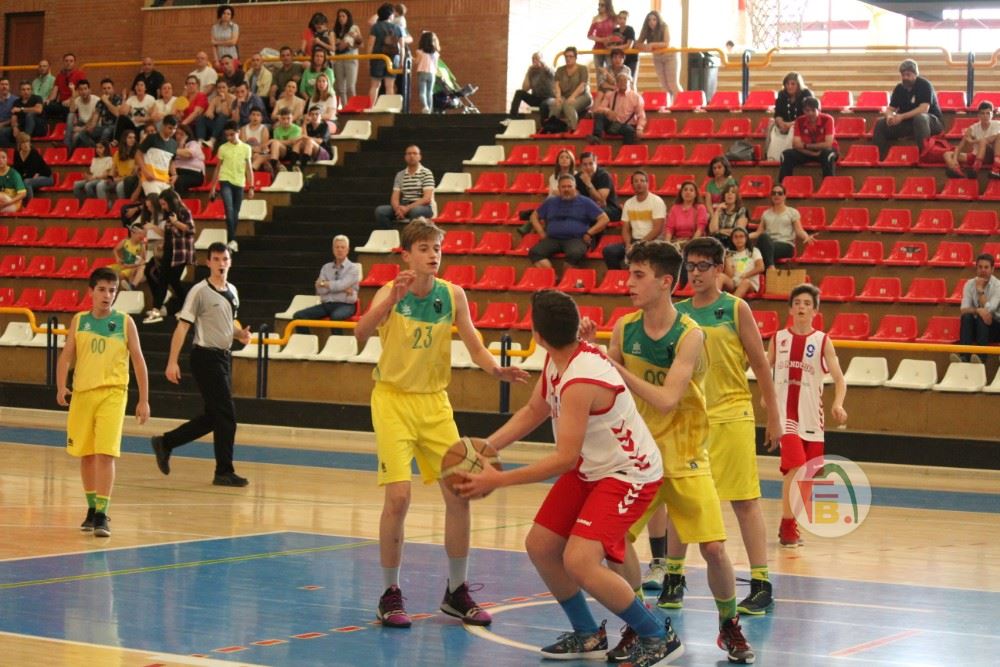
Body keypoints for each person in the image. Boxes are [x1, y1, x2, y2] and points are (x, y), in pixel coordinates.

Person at [457, 288, 682, 665]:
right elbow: (535, 410)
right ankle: (587, 632)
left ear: (538, 335)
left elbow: (564, 459)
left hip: (630, 473)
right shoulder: (559, 359)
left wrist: (498, 480)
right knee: (541, 545)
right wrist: (487, 448)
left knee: (580, 561)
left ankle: (658, 633)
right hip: (593, 467)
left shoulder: (581, 378)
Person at [581, 240, 754, 663]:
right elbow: (606, 385)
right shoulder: (624, 328)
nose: (628, 283)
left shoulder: (690, 334)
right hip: (638, 457)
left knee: (713, 549)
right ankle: (641, 622)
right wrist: (587, 352)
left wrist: (610, 363)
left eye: (638, 275)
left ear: (664, 282)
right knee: (615, 542)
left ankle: (729, 624)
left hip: (686, 454)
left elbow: (666, 400)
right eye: (629, 274)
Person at [353, 218, 528, 630]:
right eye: (425, 248)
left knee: (459, 493)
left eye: (437, 248)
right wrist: (388, 303)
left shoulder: (452, 295)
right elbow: (360, 333)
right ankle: (389, 593)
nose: (434, 255)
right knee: (399, 497)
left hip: (434, 404)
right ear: (406, 255)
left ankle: (456, 591)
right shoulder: (390, 292)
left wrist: (495, 369)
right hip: (393, 401)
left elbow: (474, 343)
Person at [674, 236, 782, 616]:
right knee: (683, 500)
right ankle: (673, 577)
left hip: (733, 413)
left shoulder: (736, 308)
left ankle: (762, 583)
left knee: (744, 501)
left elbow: (761, 363)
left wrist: (773, 415)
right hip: (691, 421)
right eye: (690, 266)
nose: (696, 273)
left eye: (703, 266)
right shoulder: (678, 313)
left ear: (719, 269)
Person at [56, 267, 150, 538]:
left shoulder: (124, 322)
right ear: (91, 292)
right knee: (86, 454)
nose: (107, 295)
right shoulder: (79, 321)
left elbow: (139, 360)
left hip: (113, 393)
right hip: (82, 394)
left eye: (112, 290)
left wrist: (144, 399)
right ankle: (91, 508)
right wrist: (61, 385)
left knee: (105, 453)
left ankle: (102, 513)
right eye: (102, 290)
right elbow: (66, 356)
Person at [150, 242, 252, 487]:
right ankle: (223, 471)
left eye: (224, 259)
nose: (221, 263)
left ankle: (166, 442)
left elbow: (228, 325)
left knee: (214, 416)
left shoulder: (233, 291)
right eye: (216, 259)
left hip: (224, 358)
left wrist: (240, 335)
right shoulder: (199, 291)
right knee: (227, 416)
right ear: (208, 263)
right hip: (205, 357)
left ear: (230, 262)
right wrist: (172, 361)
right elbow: (182, 326)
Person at [768, 283, 847, 548]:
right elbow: (764, 370)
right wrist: (767, 397)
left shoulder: (822, 341)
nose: (801, 307)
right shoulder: (778, 339)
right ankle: (788, 526)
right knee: (795, 467)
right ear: (790, 309)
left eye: (807, 304)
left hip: (812, 417)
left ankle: (790, 522)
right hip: (785, 416)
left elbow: (839, 379)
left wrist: (838, 404)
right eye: (797, 303)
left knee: (808, 477)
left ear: (815, 311)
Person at [529, 174, 609, 269]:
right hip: (553, 239)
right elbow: (534, 216)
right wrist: (541, 232)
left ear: (575, 187)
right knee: (535, 252)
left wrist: (589, 233)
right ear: (559, 188)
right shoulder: (550, 202)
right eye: (563, 187)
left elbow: (604, 219)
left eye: (569, 186)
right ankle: (552, 276)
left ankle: (568, 277)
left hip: (576, 239)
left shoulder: (585, 202)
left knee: (574, 253)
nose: (566, 189)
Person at [872, 59, 944, 161]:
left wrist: (901, 116)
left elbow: (924, 109)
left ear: (915, 74)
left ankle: (924, 157)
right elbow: (890, 109)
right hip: (909, 123)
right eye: (903, 75)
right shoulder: (899, 88)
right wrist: (889, 116)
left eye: (908, 75)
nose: (905, 77)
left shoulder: (924, 85)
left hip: (931, 122)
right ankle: (881, 158)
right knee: (880, 123)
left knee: (920, 118)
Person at [144, 190, 195, 324]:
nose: (163, 207)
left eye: (164, 204)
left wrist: (176, 222)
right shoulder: (169, 214)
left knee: (173, 280)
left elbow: (191, 229)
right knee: (163, 279)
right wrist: (163, 245)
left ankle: (188, 306)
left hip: (180, 252)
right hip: (169, 250)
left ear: (172, 202)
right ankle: (156, 309)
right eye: (161, 204)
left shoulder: (184, 212)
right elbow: (168, 234)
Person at [292, 235, 361, 330]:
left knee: (336, 316)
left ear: (347, 250)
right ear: (333, 249)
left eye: (342, 247)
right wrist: (340, 288)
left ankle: (337, 340)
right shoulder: (326, 267)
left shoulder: (353, 268)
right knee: (299, 316)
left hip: (346, 305)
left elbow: (340, 285)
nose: (339, 250)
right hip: (327, 304)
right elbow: (321, 291)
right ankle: (308, 339)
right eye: (337, 247)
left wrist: (325, 284)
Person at [603, 170, 665, 270]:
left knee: (638, 253)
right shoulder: (629, 203)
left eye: (642, 181)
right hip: (634, 241)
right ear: (632, 185)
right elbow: (625, 229)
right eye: (636, 181)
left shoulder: (657, 201)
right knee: (609, 251)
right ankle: (618, 276)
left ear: (647, 183)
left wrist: (639, 244)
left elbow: (657, 229)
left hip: (652, 241)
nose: (639, 183)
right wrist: (628, 244)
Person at [210, 121, 254, 253]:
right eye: (227, 135)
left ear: (238, 132)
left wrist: (251, 187)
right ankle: (232, 240)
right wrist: (213, 187)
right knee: (229, 210)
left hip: (240, 183)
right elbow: (218, 168)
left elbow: (249, 169)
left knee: (235, 212)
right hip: (225, 180)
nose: (229, 137)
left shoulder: (246, 148)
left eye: (231, 134)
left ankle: (232, 241)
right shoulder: (223, 148)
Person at [749, 184, 814, 268]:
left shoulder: (792, 212)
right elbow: (758, 233)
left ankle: (768, 270)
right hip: (769, 244)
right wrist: (744, 235)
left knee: (759, 251)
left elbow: (799, 231)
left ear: (784, 196)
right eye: (774, 193)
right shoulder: (766, 213)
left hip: (786, 245)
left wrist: (806, 236)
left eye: (780, 193)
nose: (776, 195)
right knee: (763, 238)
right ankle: (771, 269)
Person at [953, 253, 1000, 363]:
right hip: (978, 328)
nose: (983, 270)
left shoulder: (998, 286)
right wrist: (977, 310)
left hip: (996, 328)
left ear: (992, 269)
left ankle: (981, 358)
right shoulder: (969, 284)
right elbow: (963, 309)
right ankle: (964, 357)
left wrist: (980, 290)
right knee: (967, 317)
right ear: (976, 269)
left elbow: (989, 310)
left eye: (986, 267)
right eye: (980, 267)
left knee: (981, 318)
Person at [779, 96, 838, 181]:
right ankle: (784, 185)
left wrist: (805, 146)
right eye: (807, 110)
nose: (810, 113)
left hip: (823, 152)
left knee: (828, 154)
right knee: (786, 155)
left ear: (819, 110)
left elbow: (828, 144)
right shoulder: (799, 121)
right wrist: (813, 153)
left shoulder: (828, 119)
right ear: (803, 111)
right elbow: (796, 145)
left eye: (813, 110)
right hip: (806, 152)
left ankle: (829, 185)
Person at [374, 144, 434, 227]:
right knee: (380, 211)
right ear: (405, 157)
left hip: (422, 207)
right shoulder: (400, 175)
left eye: (415, 153)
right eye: (409, 154)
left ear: (420, 157)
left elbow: (427, 199)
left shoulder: (426, 173)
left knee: (415, 211)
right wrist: (398, 210)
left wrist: (407, 208)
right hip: (404, 205)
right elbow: (394, 198)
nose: (411, 156)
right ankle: (392, 233)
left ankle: (411, 235)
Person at [944, 101, 1000, 178]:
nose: (985, 116)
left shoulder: (998, 124)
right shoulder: (973, 128)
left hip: (991, 155)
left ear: (992, 114)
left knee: (983, 141)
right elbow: (960, 146)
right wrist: (954, 159)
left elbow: (988, 140)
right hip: (976, 155)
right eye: (982, 113)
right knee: (947, 154)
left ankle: (977, 169)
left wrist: (974, 141)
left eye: (988, 113)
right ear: (978, 115)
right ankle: (956, 170)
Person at [767, 72, 814, 162]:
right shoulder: (782, 94)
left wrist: (790, 125)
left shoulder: (806, 94)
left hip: (802, 125)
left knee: (793, 130)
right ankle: (773, 158)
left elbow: (808, 115)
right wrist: (781, 124)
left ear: (798, 85)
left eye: (793, 84)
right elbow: (778, 114)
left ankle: (786, 157)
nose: (789, 86)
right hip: (784, 125)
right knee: (774, 128)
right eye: (787, 84)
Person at [637, 11, 681, 106]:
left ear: (658, 20)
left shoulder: (664, 27)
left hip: (669, 56)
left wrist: (652, 45)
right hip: (657, 57)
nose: (651, 22)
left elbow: (666, 43)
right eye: (649, 20)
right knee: (664, 85)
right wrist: (645, 46)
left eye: (654, 19)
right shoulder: (646, 30)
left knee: (673, 84)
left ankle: (680, 104)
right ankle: (669, 106)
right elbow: (637, 44)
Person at [590, 70, 645, 145]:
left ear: (629, 82)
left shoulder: (636, 97)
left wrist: (639, 128)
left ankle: (626, 150)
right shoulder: (610, 94)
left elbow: (641, 116)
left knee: (629, 130)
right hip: (612, 124)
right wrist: (607, 111)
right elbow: (599, 109)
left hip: (626, 125)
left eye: (625, 80)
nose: (622, 82)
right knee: (599, 115)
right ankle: (596, 137)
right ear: (616, 83)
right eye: (620, 81)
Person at [545, 47, 591, 132]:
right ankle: (551, 128)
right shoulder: (560, 69)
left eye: (570, 56)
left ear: (575, 57)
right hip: (565, 96)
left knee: (568, 105)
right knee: (556, 105)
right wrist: (558, 97)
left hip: (582, 95)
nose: (568, 58)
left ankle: (573, 129)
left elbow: (582, 86)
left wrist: (573, 97)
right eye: (566, 56)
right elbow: (557, 85)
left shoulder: (583, 68)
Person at [367, 4, 403, 103]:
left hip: (377, 58)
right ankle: (389, 107)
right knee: (390, 86)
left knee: (375, 85)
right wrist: (401, 61)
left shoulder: (375, 27)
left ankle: (371, 107)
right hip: (393, 59)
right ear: (390, 15)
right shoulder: (397, 28)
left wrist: (368, 59)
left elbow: (370, 44)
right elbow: (402, 47)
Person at [136, 114, 178, 197]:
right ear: (163, 126)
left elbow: (171, 161)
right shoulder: (151, 138)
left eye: (175, 129)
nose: (172, 131)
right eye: (170, 128)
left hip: (165, 180)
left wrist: (174, 175)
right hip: (150, 178)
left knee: (173, 201)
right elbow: (138, 154)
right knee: (155, 200)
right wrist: (145, 171)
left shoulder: (174, 144)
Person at [576, 150, 621, 221]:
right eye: (585, 164)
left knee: (591, 212)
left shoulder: (604, 175)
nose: (588, 167)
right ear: (581, 166)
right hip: (589, 207)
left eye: (591, 164)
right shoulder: (578, 177)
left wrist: (588, 183)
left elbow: (600, 200)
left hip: (610, 209)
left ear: (596, 163)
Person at [332, 9, 363, 106]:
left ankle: (353, 107)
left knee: (350, 86)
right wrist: (341, 42)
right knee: (340, 87)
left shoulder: (354, 27)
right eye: (339, 16)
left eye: (343, 16)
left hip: (350, 56)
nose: (341, 18)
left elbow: (360, 44)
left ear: (348, 17)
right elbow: (335, 46)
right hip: (338, 58)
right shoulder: (335, 30)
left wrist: (355, 38)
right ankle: (345, 107)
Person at [722, 227, 764, 298]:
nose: (738, 239)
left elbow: (761, 267)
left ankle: (731, 304)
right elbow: (729, 275)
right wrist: (727, 260)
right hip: (734, 282)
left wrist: (746, 275)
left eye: (741, 236)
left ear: (746, 238)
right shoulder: (729, 253)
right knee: (720, 277)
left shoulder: (754, 251)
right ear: (732, 239)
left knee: (745, 282)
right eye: (735, 237)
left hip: (749, 283)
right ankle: (711, 302)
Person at [509, 53, 555, 119]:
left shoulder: (548, 70)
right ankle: (512, 117)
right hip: (536, 98)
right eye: (533, 59)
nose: (535, 61)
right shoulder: (532, 72)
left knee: (544, 104)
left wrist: (543, 64)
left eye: (537, 58)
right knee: (519, 93)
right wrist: (528, 72)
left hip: (548, 98)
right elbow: (525, 88)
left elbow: (553, 73)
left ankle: (545, 123)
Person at [45, 53, 87, 121]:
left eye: (71, 61)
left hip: (74, 102)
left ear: (74, 63)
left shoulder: (80, 74)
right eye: (66, 61)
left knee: (67, 109)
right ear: (63, 62)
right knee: (46, 106)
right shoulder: (59, 75)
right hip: (62, 103)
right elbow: (55, 91)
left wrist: (70, 100)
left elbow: (81, 90)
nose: (68, 63)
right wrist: (49, 100)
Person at [664, 181, 707, 246]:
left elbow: (700, 229)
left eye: (691, 190)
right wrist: (667, 244)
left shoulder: (700, 208)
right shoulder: (674, 208)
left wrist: (690, 245)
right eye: (685, 190)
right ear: (681, 193)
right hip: (677, 241)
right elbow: (669, 228)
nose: (688, 192)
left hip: (695, 242)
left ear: (695, 194)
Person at [13, 132, 53, 201]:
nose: (26, 145)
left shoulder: (33, 153)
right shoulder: (17, 153)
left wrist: (21, 179)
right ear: (19, 144)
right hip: (31, 177)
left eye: (27, 142)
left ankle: (30, 204)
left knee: (27, 182)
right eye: (23, 142)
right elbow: (16, 170)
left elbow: (31, 173)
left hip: (46, 177)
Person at [109, 223, 148, 290]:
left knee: (121, 275)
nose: (141, 236)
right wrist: (117, 258)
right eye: (139, 233)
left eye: (142, 234)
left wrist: (143, 246)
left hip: (131, 266)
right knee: (106, 271)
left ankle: (130, 287)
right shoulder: (125, 241)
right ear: (132, 233)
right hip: (124, 265)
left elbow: (142, 261)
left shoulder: (141, 246)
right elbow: (115, 250)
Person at [709, 184, 749, 248]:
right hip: (719, 240)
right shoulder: (720, 210)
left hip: (734, 242)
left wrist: (720, 231)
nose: (729, 194)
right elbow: (712, 230)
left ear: (736, 196)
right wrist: (717, 211)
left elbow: (738, 231)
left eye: (733, 192)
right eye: (727, 192)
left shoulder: (742, 210)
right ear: (724, 196)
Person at [103, 129, 139, 200]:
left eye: (134, 138)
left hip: (129, 180)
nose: (132, 140)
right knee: (100, 185)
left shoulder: (137, 154)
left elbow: (134, 174)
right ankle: (105, 205)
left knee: (119, 187)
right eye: (130, 137)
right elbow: (113, 168)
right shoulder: (118, 153)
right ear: (124, 139)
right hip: (118, 178)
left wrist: (119, 179)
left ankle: (122, 205)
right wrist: (110, 178)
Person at [197, 79, 234, 148]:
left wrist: (223, 100)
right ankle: (200, 141)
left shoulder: (232, 98)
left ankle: (212, 140)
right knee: (201, 118)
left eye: (223, 87)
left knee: (222, 116)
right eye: (219, 88)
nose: (221, 90)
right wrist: (210, 112)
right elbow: (208, 113)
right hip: (217, 124)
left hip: (227, 124)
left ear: (228, 88)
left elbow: (227, 113)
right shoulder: (215, 99)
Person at [293, 105, 332, 169]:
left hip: (324, 153)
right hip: (309, 151)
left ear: (321, 116)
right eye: (312, 114)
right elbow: (303, 139)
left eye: (317, 114)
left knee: (309, 141)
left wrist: (306, 138)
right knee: (298, 142)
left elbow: (320, 141)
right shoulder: (308, 126)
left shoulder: (325, 126)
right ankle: (293, 166)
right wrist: (304, 124)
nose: (314, 116)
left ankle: (302, 168)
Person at [66, 79, 100, 150]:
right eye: (81, 89)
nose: (83, 91)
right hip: (82, 123)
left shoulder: (97, 100)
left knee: (76, 135)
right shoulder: (78, 100)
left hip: (93, 126)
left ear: (89, 90)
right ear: (78, 91)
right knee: (70, 116)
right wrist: (73, 93)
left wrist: (81, 129)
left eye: (85, 89)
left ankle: (67, 149)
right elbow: (71, 110)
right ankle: (67, 145)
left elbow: (93, 121)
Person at [171, 124, 206, 196]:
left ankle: (180, 201)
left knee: (178, 181)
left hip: (194, 174)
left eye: (182, 134)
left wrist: (179, 145)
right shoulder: (172, 145)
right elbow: (171, 161)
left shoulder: (193, 144)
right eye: (177, 133)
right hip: (178, 172)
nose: (178, 136)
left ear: (187, 136)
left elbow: (188, 154)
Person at [265, 107, 302, 173]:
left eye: (288, 118)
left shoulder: (297, 129)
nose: (286, 121)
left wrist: (272, 140)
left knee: (275, 142)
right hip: (283, 152)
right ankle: (275, 165)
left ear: (292, 118)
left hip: (294, 152)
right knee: (275, 143)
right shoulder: (276, 130)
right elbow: (276, 145)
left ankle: (276, 165)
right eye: (283, 119)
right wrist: (273, 141)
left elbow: (291, 142)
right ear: (280, 119)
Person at [269, 46, 304, 113]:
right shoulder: (278, 72)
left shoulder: (299, 67)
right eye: (283, 56)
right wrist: (272, 97)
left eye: (288, 55)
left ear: (292, 56)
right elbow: (274, 87)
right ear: (280, 58)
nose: (286, 58)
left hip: (297, 99)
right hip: (282, 100)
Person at [415, 31, 440, 115]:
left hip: (422, 72)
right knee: (430, 92)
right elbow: (436, 65)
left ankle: (425, 106)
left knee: (422, 92)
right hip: (432, 73)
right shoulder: (436, 53)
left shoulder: (420, 52)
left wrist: (412, 59)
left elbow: (417, 61)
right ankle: (430, 109)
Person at [588, 0, 617, 70]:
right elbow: (589, 35)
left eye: (602, 5)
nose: (600, 7)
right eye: (599, 5)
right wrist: (602, 40)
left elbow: (618, 32)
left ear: (608, 6)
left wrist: (612, 40)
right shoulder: (596, 18)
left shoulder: (614, 18)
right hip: (598, 48)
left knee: (611, 71)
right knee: (599, 71)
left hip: (611, 48)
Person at [241, 108, 272, 172]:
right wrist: (254, 150)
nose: (255, 117)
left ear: (261, 118)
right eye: (253, 114)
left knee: (257, 156)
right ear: (249, 116)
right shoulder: (243, 129)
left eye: (258, 115)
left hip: (261, 154)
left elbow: (263, 147)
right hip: (248, 154)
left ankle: (250, 173)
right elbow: (243, 146)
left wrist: (254, 150)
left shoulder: (264, 129)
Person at [610, 10, 638, 79]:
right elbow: (612, 43)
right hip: (620, 59)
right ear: (617, 19)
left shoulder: (630, 29)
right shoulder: (615, 30)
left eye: (624, 18)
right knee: (618, 78)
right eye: (620, 18)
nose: (622, 20)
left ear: (627, 20)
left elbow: (629, 45)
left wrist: (615, 48)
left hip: (631, 58)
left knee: (630, 79)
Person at [0, 78, 15, 147]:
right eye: (2, 84)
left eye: (6, 84)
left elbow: (16, 118)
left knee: (2, 132)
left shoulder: (15, 100)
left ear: (9, 86)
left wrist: (2, 124)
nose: (4, 86)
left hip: (10, 126)